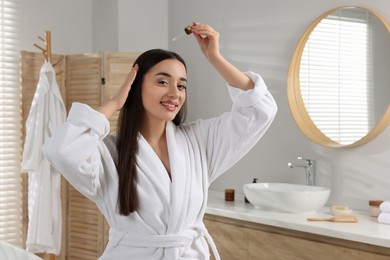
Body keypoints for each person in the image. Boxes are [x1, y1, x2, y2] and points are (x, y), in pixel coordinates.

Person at [43, 22, 277, 260]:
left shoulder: (199, 142)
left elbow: (259, 110)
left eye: (182, 85)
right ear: (135, 87)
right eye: (162, 82)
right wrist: (114, 103)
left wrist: (214, 57)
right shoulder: (110, 154)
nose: (175, 93)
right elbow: (61, 150)